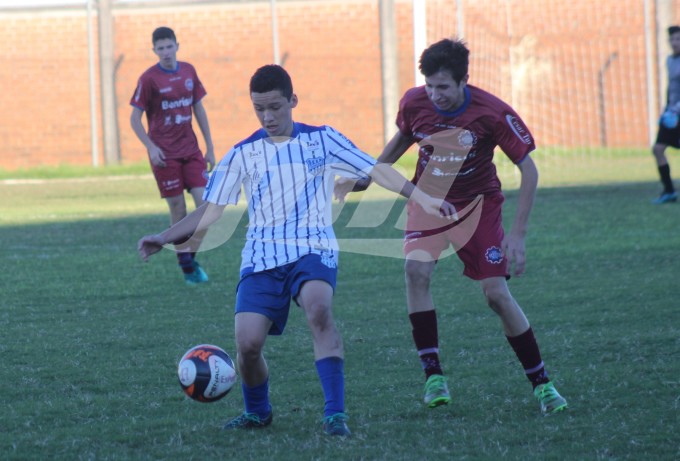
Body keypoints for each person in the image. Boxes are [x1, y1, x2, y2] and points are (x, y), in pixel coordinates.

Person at [137, 64, 454, 436]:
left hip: (313, 248)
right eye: (260, 109)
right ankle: (258, 412)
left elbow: (377, 169)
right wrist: (164, 236)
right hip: (262, 257)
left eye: (275, 107)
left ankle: (335, 414)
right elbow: (210, 210)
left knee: (319, 310)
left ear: (293, 101)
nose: (268, 117)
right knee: (248, 344)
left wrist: (423, 198)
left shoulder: (323, 140)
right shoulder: (242, 154)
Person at [340, 38, 568, 415]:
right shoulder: (415, 102)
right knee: (416, 273)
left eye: (443, 87)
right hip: (429, 202)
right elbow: (403, 138)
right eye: (429, 85)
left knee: (496, 295)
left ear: (464, 80)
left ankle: (542, 383)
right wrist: (367, 177)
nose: (435, 95)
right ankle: (434, 376)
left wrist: (518, 233)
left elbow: (529, 168)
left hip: (478, 207)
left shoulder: (491, 112)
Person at [130, 26, 216, 284]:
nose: (166, 52)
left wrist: (209, 146)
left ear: (177, 45)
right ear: (154, 51)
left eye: (169, 46)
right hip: (164, 156)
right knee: (178, 208)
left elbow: (198, 108)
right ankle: (186, 265)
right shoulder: (149, 79)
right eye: (160, 48)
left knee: (207, 207)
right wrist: (151, 146)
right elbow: (135, 118)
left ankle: (189, 255)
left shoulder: (189, 71)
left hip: (191, 151)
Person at [651, 25, 680, 204]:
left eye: (678, 39)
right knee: (658, 149)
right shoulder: (670, 60)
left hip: (678, 113)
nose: (675, 43)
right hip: (671, 113)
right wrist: (667, 109)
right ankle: (668, 191)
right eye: (672, 39)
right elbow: (671, 88)